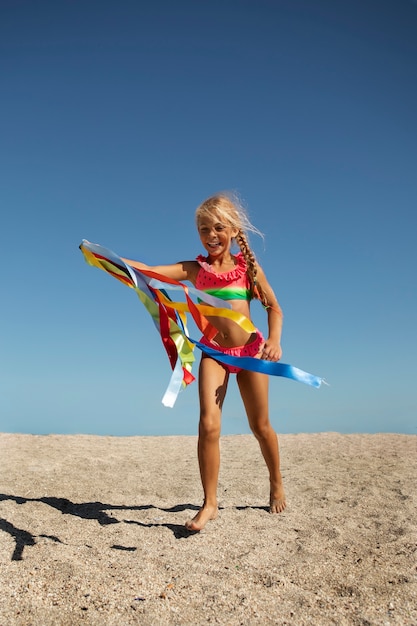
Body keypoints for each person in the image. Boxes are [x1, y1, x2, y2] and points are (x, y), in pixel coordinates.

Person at [123, 192, 286, 531]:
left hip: (251, 354)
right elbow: (151, 271)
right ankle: (210, 503)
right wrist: (116, 262)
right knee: (209, 425)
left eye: (217, 228)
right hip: (214, 353)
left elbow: (275, 308)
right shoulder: (194, 269)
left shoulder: (246, 269)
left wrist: (274, 340)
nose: (211, 236)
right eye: (203, 229)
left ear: (232, 229)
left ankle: (276, 482)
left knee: (260, 426)